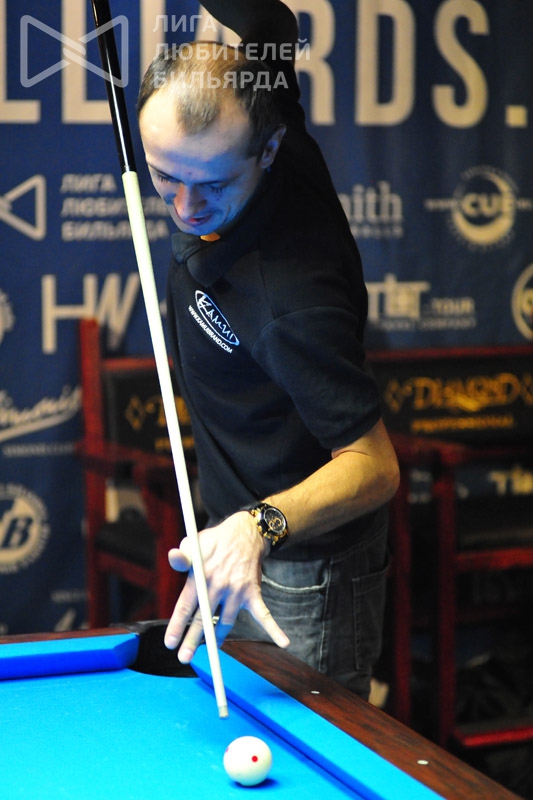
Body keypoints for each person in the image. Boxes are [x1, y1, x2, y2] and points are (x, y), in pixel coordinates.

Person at [137, 0, 400, 699]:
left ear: (270, 149)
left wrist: (258, 527)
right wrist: (236, 532)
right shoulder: (260, 97)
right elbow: (269, 21)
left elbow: (375, 468)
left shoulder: (290, 301)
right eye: (165, 175)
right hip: (231, 539)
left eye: (213, 184)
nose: (186, 207)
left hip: (304, 573)